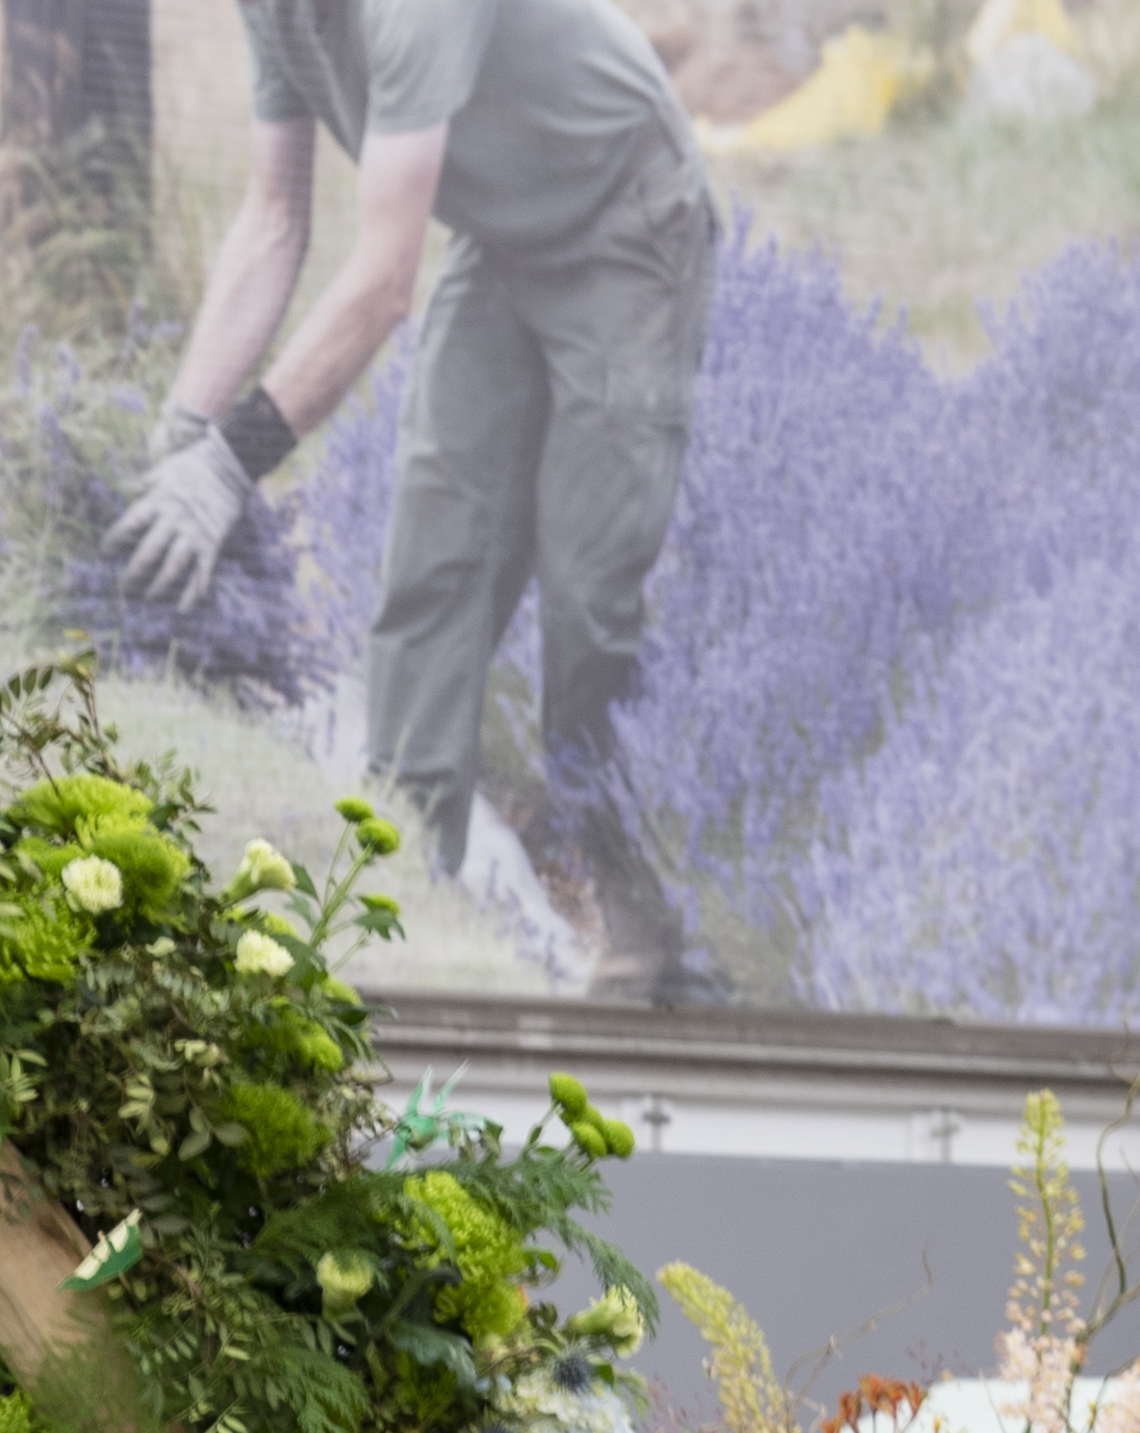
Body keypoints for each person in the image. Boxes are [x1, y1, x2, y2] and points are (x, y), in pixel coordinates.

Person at [108, 0, 724, 1002]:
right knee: (431, 568)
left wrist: (232, 463)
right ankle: (395, 905)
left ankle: (647, 931)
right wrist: (181, 432)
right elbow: (272, 222)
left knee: (586, 601)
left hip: (626, 221)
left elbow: (384, 281)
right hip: (505, 236)